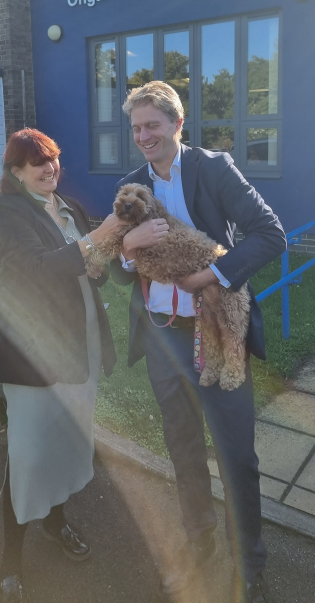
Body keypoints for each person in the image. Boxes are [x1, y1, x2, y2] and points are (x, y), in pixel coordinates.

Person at [110, 81, 286, 603]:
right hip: (165, 343)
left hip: (215, 334)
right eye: (137, 128)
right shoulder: (130, 185)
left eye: (153, 126)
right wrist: (127, 251)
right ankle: (200, 543)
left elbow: (269, 233)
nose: (144, 137)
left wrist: (211, 274)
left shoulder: (214, 168)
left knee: (236, 458)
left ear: (177, 125)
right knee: (183, 452)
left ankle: (250, 564)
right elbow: (121, 273)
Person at [0, 128, 124, 603]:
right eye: (38, 162)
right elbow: (36, 269)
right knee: (27, 457)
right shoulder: (6, 212)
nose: (50, 168)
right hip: (35, 356)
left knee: (66, 444)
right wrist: (100, 239)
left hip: (80, 347)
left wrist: (98, 265)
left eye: (53, 158)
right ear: (16, 171)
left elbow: (92, 271)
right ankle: (10, 560)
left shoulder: (70, 208)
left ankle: (56, 523)